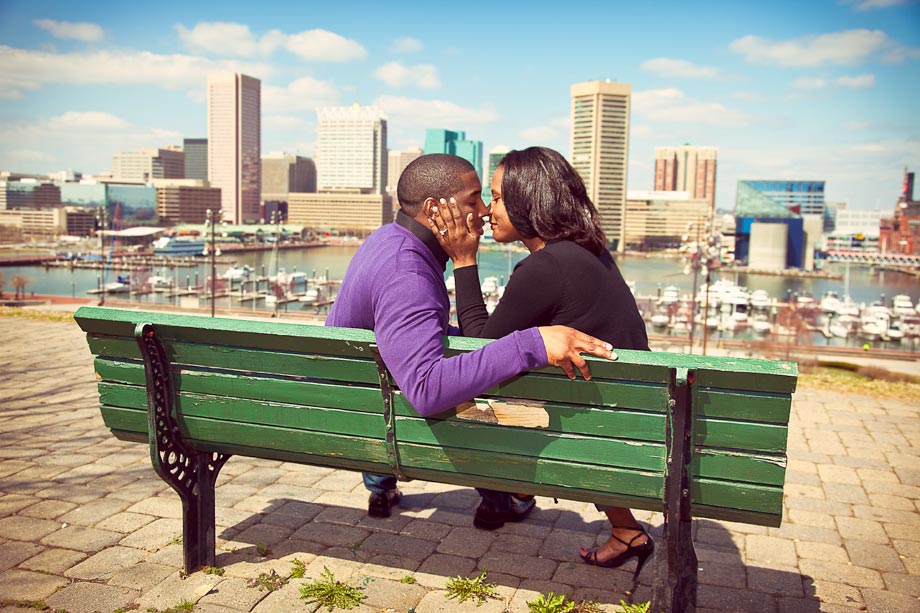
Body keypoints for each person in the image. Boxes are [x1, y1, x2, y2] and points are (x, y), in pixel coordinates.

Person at [325, 153, 618, 523]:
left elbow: (404, 336)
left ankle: (385, 487)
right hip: (377, 420)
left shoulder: (386, 240)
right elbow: (428, 390)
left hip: (353, 405)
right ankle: (501, 496)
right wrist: (532, 343)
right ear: (434, 209)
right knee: (486, 404)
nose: (481, 210)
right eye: (473, 199)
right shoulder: (408, 274)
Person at [428, 146, 654, 577]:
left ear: (526, 200)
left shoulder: (545, 268)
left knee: (463, 404)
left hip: (591, 427)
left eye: (495, 197)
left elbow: (479, 350)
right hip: (624, 416)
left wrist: (464, 260)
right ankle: (626, 532)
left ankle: (504, 496)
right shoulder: (588, 252)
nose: (489, 210)